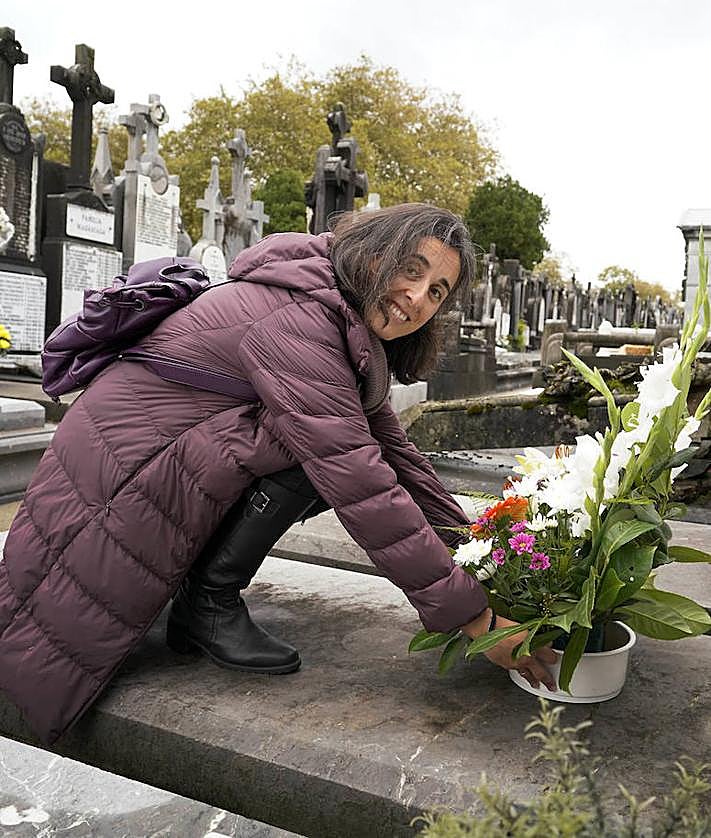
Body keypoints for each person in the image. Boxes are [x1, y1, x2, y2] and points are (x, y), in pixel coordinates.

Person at [0, 203, 555, 746]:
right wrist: (477, 620)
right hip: (116, 480)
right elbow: (362, 480)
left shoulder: (333, 311)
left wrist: (482, 556)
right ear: (374, 252)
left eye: (436, 290)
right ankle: (208, 602)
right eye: (411, 269)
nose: (416, 298)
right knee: (320, 455)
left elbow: (398, 457)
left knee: (333, 448)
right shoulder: (300, 321)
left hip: (154, 461)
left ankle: (201, 593)